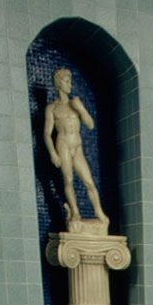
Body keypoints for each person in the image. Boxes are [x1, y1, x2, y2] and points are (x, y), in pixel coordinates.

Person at [43, 67, 108, 226]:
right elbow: (46, 133)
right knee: (68, 179)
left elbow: (90, 124)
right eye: (67, 81)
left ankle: (98, 211)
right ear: (59, 84)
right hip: (63, 144)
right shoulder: (52, 108)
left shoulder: (75, 103)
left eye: (70, 81)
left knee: (89, 181)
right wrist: (52, 153)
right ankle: (75, 212)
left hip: (77, 146)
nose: (70, 84)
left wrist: (81, 108)